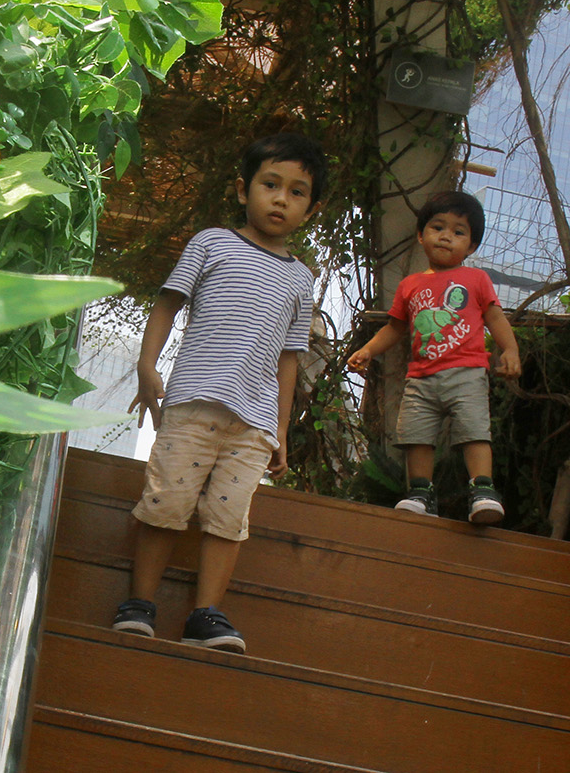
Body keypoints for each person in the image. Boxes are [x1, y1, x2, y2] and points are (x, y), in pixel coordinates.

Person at [111, 132, 325, 654]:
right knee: (167, 501)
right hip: (194, 405)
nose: (281, 198)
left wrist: (281, 430)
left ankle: (205, 616)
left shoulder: (301, 279)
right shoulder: (212, 242)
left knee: (229, 520)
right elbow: (167, 302)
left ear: (310, 208)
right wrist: (146, 365)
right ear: (241, 189)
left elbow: (288, 359)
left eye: (297, 192)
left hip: (253, 425)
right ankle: (139, 604)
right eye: (270, 184)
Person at [346, 190, 521, 524]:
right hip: (421, 377)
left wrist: (510, 350)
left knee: (473, 430)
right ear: (420, 235)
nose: (446, 236)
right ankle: (420, 494)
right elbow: (396, 328)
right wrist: (368, 349)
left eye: (458, 232)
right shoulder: (410, 285)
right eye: (438, 227)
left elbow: (496, 318)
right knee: (416, 435)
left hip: (467, 372)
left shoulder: (476, 279)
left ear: (471, 246)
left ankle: (482, 489)